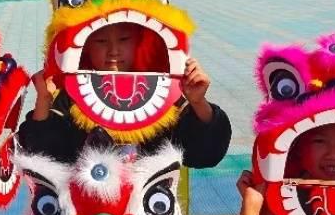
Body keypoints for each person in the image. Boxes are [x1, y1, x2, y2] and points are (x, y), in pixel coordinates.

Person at [17, 22, 231, 168]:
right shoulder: (71, 94)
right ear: (85, 47)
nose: (113, 51)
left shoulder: (164, 92)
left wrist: (198, 102)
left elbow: (206, 155)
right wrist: (43, 101)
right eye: (100, 41)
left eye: (124, 39)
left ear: (139, 43)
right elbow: (40, 157)